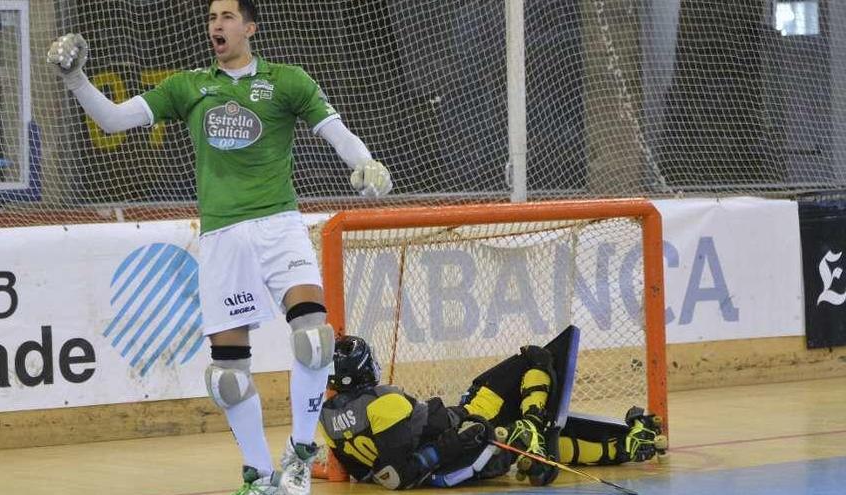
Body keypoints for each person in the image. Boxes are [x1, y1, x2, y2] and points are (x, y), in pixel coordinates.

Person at [47, 1, 392, 494]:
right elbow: (114, 120)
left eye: (227, 16)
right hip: (223, 237)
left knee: (314, 339)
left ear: (249, 27)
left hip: (278, 224)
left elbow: (335, 132)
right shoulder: (188, 86)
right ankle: (259, 476)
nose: (216, 24)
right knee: (228, 376)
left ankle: (299, 454)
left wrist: (366, 162)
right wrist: (77, 79)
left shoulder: (287, 80)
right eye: (212, 17)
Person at [319, 332, 664, 490]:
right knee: (534, 361)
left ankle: (607, 445)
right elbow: (400, 476)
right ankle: (534, 425)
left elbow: (366, 474)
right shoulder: (383, 403)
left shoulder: (326, 417)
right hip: (463, 445)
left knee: (511, 377)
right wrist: (457, 441)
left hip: (460, 433)